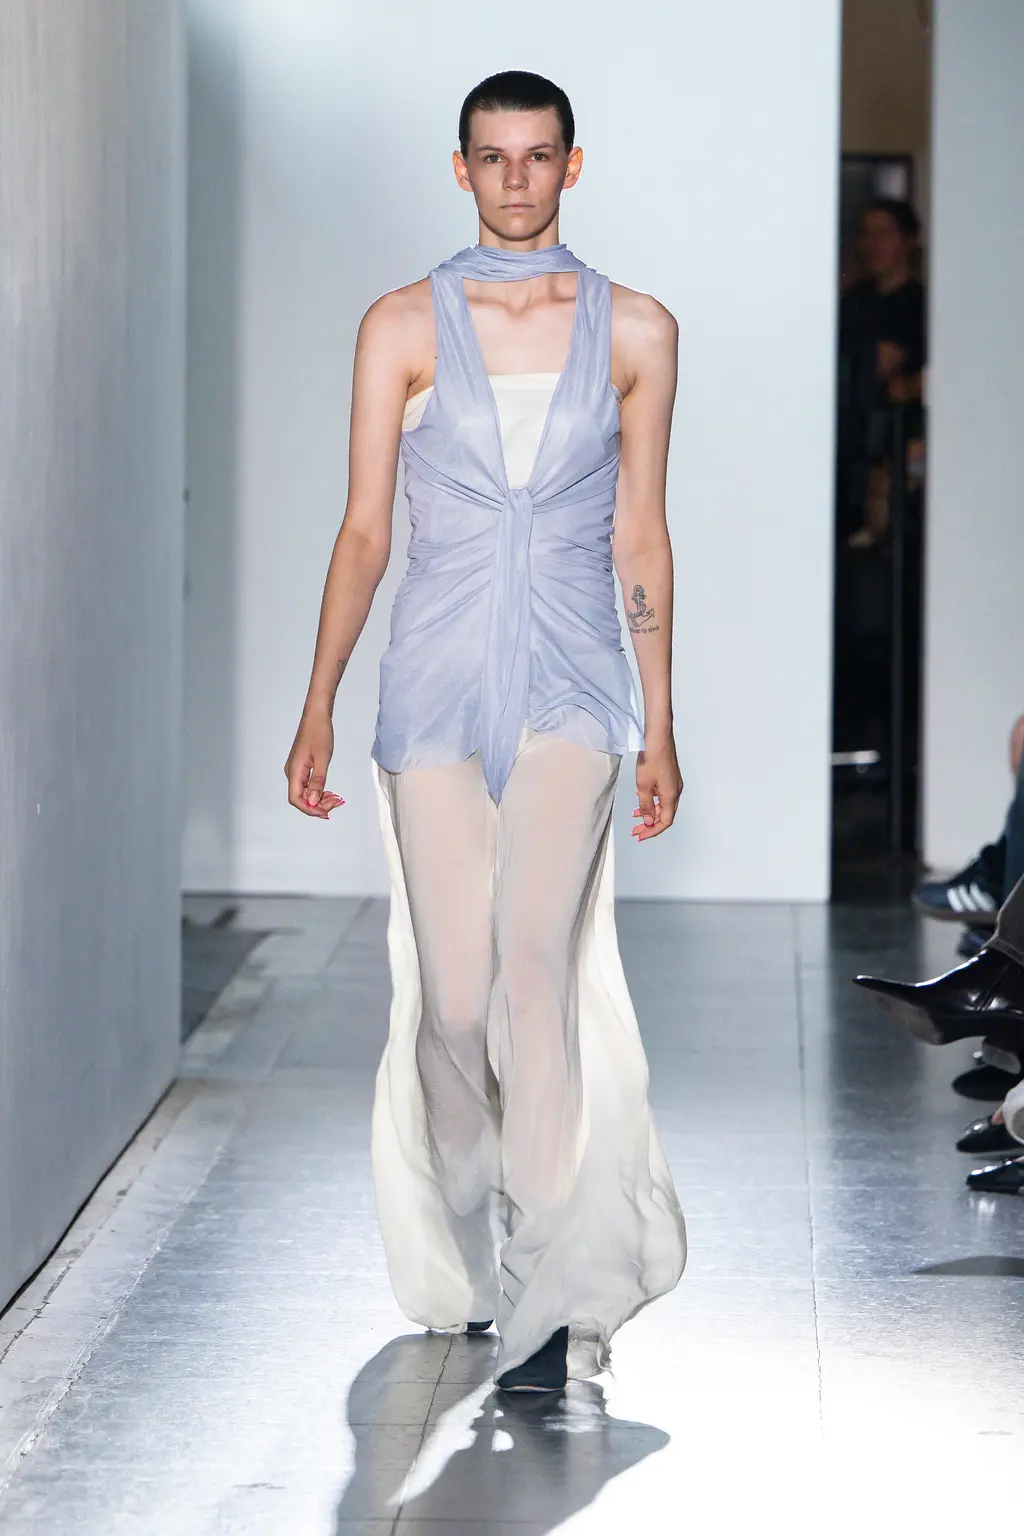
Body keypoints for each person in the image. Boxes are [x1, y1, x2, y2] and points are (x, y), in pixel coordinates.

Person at [283, 70, 687, 1392]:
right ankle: (479, 1224)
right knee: (454, 1005)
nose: (517, 178)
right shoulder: (400, 325)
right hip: (435, 680)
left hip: (576, 681)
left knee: (533, 972)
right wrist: (318, 702)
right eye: (494, 157)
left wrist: (661, 721)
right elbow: (364, 530)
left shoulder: (637, 330)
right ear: (460, 168)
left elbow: (641, 534)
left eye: (539, 156)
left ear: (573, 164)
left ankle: (552, 1294)